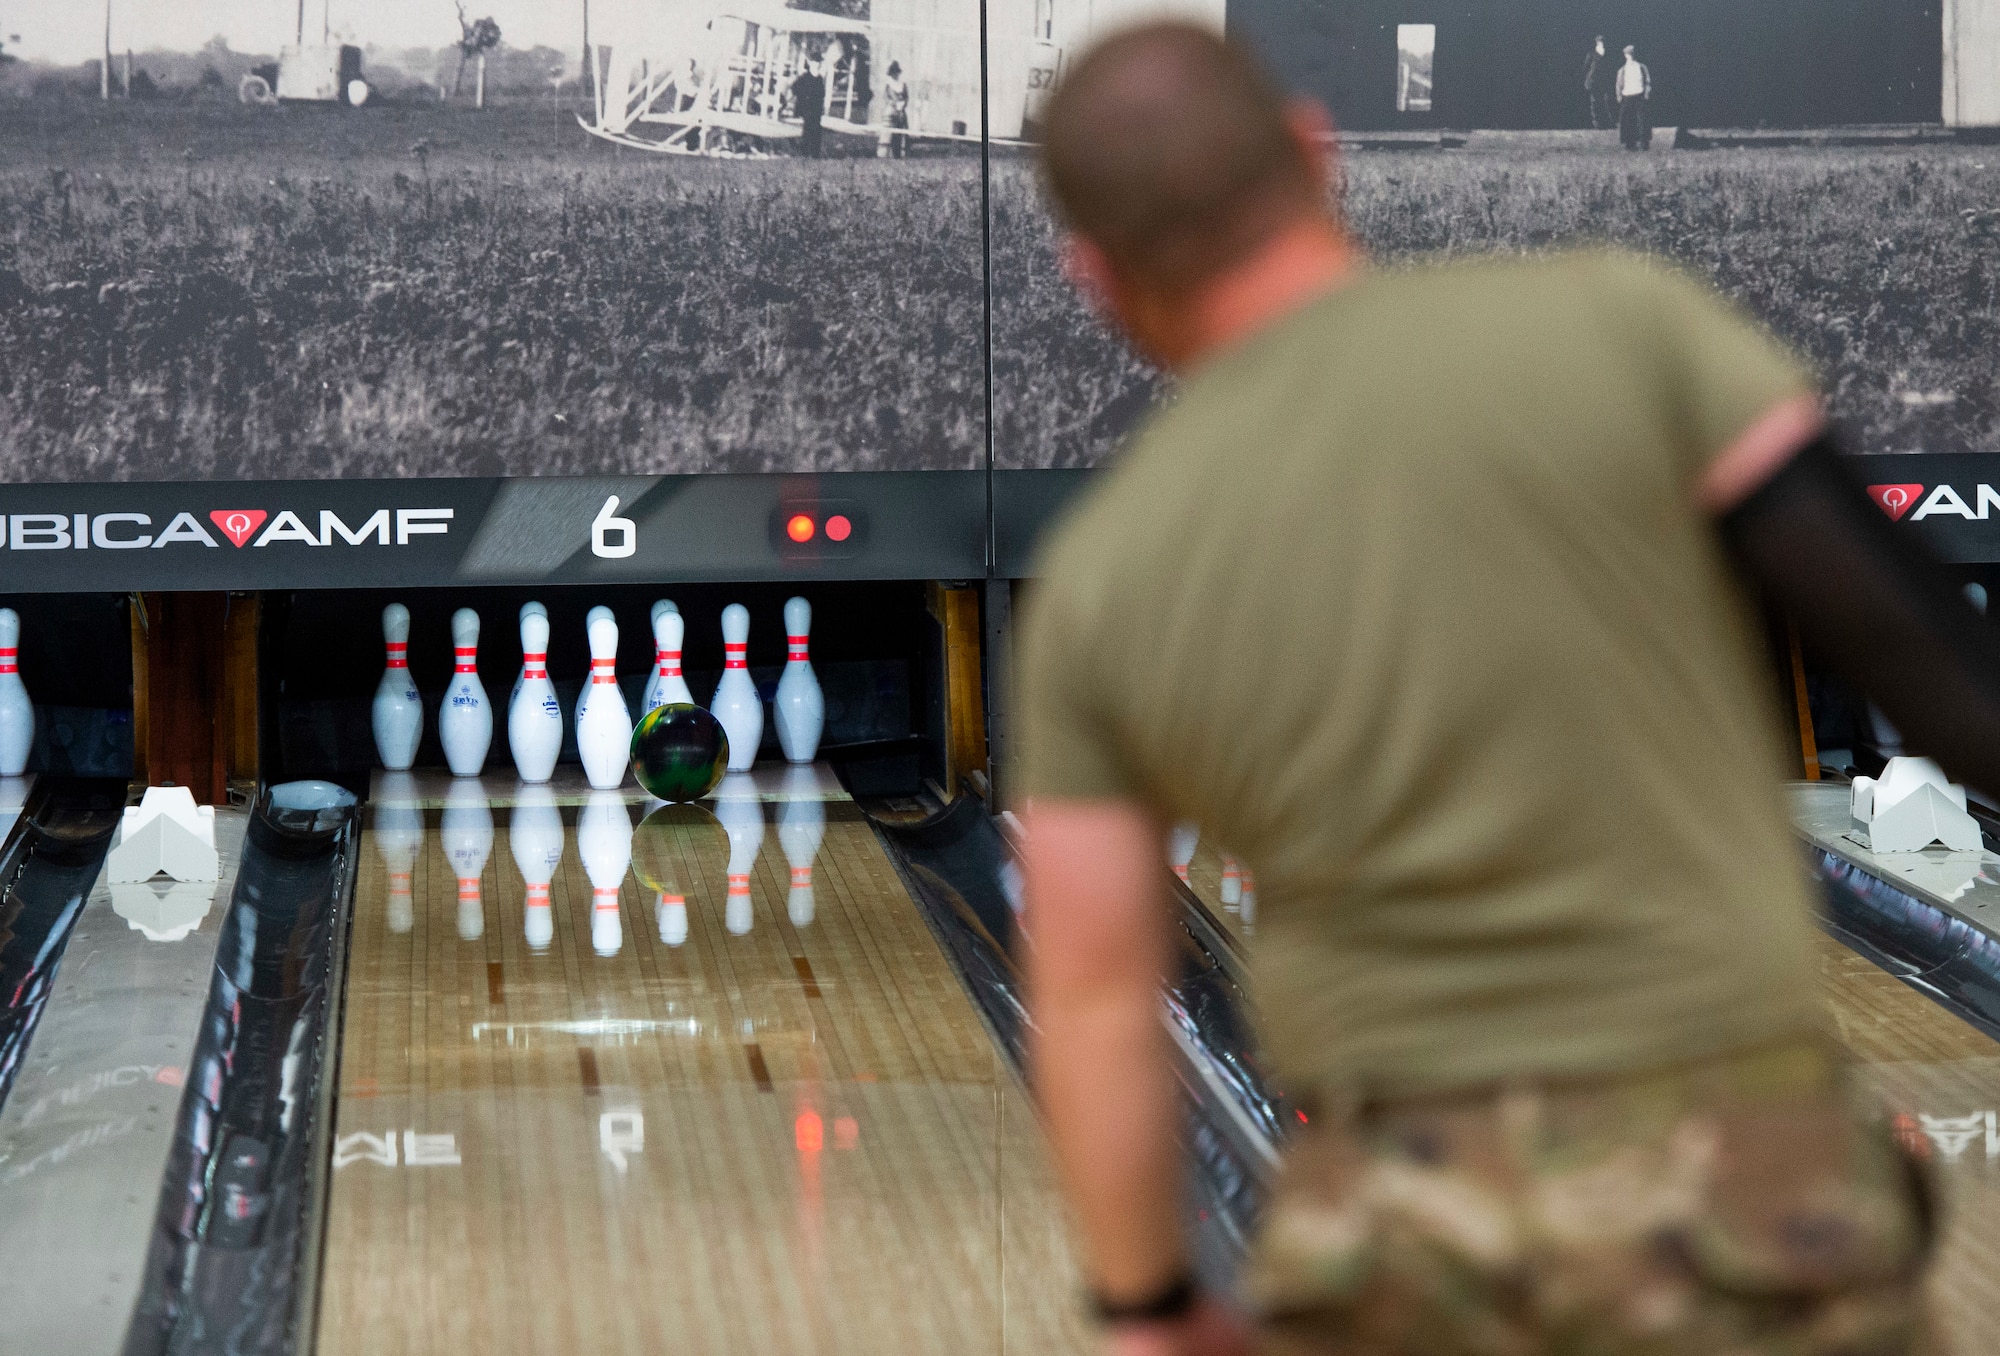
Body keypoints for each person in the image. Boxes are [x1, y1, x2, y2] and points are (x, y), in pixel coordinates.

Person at [1017, 22, 1956, 1356]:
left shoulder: (1102, 577)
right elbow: (1933, 665)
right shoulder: (1624, 324)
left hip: (1403, 1252)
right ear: (1312, 151)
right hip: (1752, 1210)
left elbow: (1098, 993)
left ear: (1093, 275)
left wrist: (1150, 1306)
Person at [1617, 42, 1652, 149]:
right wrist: (1619, 95)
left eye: (1631, 54)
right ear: (1625, 55)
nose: (1630, 56)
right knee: (1627, 120)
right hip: (1627, 96)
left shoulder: (1641, 67)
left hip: (1639, 96)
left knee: (1642, 120)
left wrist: (1646, 93)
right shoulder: (1622, 70)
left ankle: (1643, 142)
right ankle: (1628, 142)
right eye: (1628, 54)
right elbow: (1618, 84)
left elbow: (1647, 81)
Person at [791, 58, 826, 158]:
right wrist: (804, 98)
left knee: (817, 130)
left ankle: (815, 153)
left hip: (816, 108)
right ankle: (805, 152)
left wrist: (821, 106)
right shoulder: (804, 77)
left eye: (819, 62)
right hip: (806, 107)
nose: (817, 64)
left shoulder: (819, 78)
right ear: (811, 63)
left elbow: (822, 94)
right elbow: (795, 88)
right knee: (807, 129)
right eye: (815, 62)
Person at [880, 60, 911, 159]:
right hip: (892, 110)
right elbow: (887, 98)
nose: (895, 75)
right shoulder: (889, 85)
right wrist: (894, 105)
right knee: (890, 131)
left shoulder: (902, 84)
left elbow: (906, 97)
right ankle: (887, 153)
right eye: (893, 73)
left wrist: (903, 105)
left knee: (902, 131)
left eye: (896, 72)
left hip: (901, 109)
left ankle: (902, 153)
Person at [1584, 34, 1615, 129]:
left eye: (1603, 41)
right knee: (1595, 102)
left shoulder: (1608, 53)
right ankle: (1598, 124)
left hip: (1604, 81)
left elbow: (1611, 67)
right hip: (1593, 82)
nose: (1602, 43)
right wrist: (1588, 80)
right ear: (1597, 42)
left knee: (1607, 101)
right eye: (1600, 41)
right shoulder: (1592, 53)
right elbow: (1586, 67)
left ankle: (1609, 123)